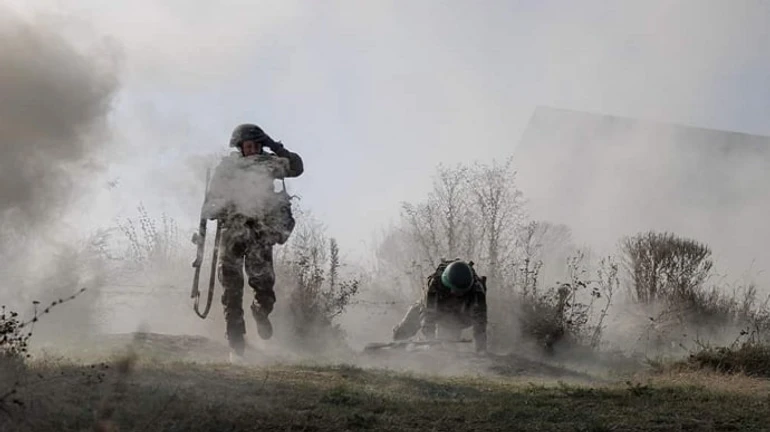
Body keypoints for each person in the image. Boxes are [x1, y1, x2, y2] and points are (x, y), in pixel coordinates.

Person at [201, 123, 304, 357]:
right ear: (240, 147)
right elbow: (212, 201)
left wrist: (274, 145)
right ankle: (236, 341)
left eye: (255, 145)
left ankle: (261, 312)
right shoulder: (228, 169)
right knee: (231, 289)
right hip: (233, 232)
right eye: (247, 146)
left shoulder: (270, 164)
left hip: (261, 232)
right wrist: (214, 209)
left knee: (264, 287)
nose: (251, 149)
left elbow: (297, 167)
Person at [392, 258, 488, 353]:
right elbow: (427, 316)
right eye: (456, 291)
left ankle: (447, 352)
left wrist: (480, 349)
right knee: (405, 327)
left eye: (462, 291)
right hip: (434, 309)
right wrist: (430, 341)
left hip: (459, 316)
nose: (459, 294)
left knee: (448, 343)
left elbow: (481, 322)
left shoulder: (477, 290)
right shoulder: (434, 286)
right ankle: (396, 346)